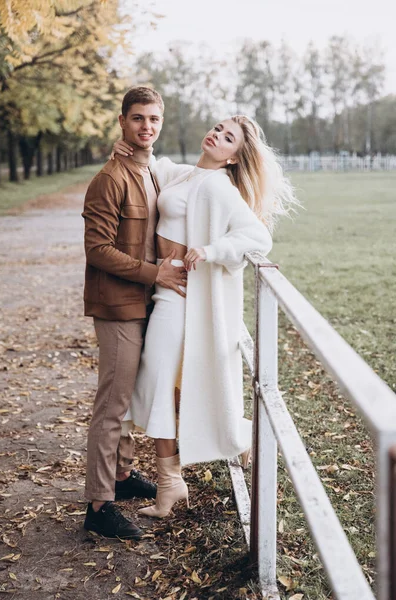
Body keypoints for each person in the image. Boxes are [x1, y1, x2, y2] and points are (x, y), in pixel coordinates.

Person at [110, 114, 297, 518]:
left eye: (228, 137)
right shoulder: (187, 173)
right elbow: (155, 166)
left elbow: (257, 236)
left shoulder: (219, 188)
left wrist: (211, 251)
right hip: (162, 289)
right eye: (217, 128)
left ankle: (174, 479)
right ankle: (180, 474)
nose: (216, 135)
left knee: (157, 380)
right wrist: (127, 150)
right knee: (159, 384)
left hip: (181, 298)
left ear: (234, 157)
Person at [82, 87, 188, 540]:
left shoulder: (152, 172)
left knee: (128, 400)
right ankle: (99, 505)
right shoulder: (110, 178)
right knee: (112, 405)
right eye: (138, 118)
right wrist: (155, 274)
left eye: (154, 119)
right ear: (122, 121)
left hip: (146, 303)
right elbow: (97, 249)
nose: (146, 126)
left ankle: (122, 478)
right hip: (118, 305)